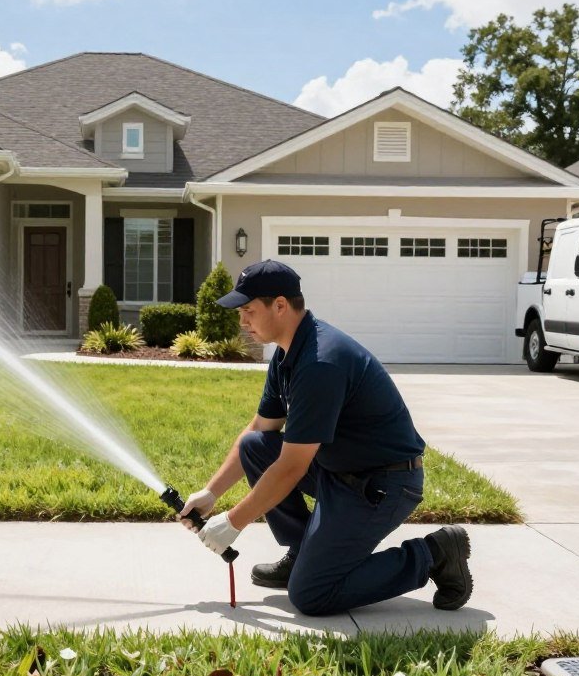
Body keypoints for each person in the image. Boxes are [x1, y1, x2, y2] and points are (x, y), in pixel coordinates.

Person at [178, 259, 472, 616]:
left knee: (312, 595)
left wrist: (233, 522)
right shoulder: (289, 353)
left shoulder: (320, 362)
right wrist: (212, 493)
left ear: (281, 305)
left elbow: (289, 468)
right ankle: (303, 552)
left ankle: (435, 554)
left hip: (382, 485)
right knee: (257, 447)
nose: (243, 322)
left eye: (249, 311)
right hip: (338, 473)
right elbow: (259, 431)